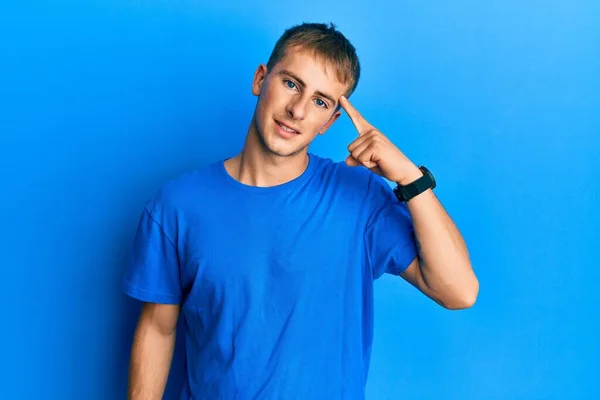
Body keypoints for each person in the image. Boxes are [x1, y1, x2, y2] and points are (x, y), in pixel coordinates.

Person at [122, 22, 479, 400]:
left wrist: (409, 177)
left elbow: (458, 291)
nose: (297, 110)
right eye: (291, 83)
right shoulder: (177, 205)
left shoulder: (359, 198)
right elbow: (158, 330)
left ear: (330, 122)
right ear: (261, 79)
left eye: (320, 101)